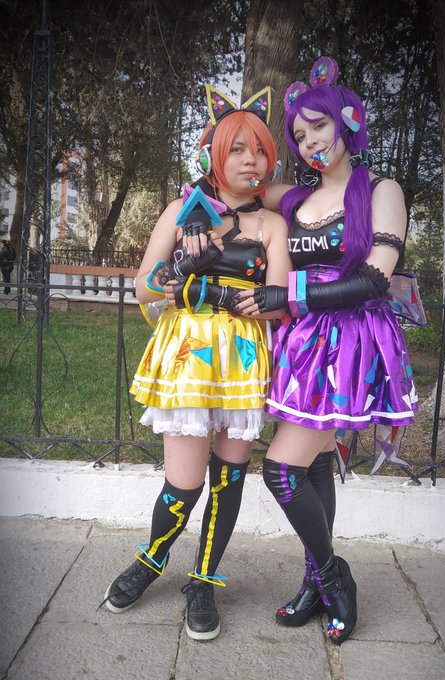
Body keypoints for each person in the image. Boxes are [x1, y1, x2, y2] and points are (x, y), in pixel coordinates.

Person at [233, 56, 418, 645]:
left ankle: (336, 579)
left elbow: (374, 279)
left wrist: (288, 295)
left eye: (319, 126)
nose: (311, 141)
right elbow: (235, 178)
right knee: (312, 464)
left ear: (347, 121)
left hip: (351, 344)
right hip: (301, 345)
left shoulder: (382, 191)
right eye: (300, 134)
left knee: (281, 469)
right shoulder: (294, 198)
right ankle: (316, 582)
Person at [101, 85, 291, 641]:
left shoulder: (271, 225)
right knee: (183, 483)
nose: (251, 161)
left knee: (228, 479)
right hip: (190, 354)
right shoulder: (182, 212)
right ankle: (152, 560)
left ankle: (203, 581)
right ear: (214, 153)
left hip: (243, 359)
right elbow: (144, 286)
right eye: (238, 149)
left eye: (260, 150)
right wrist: (186, 272)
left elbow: (279, 301)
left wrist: (256, 300)